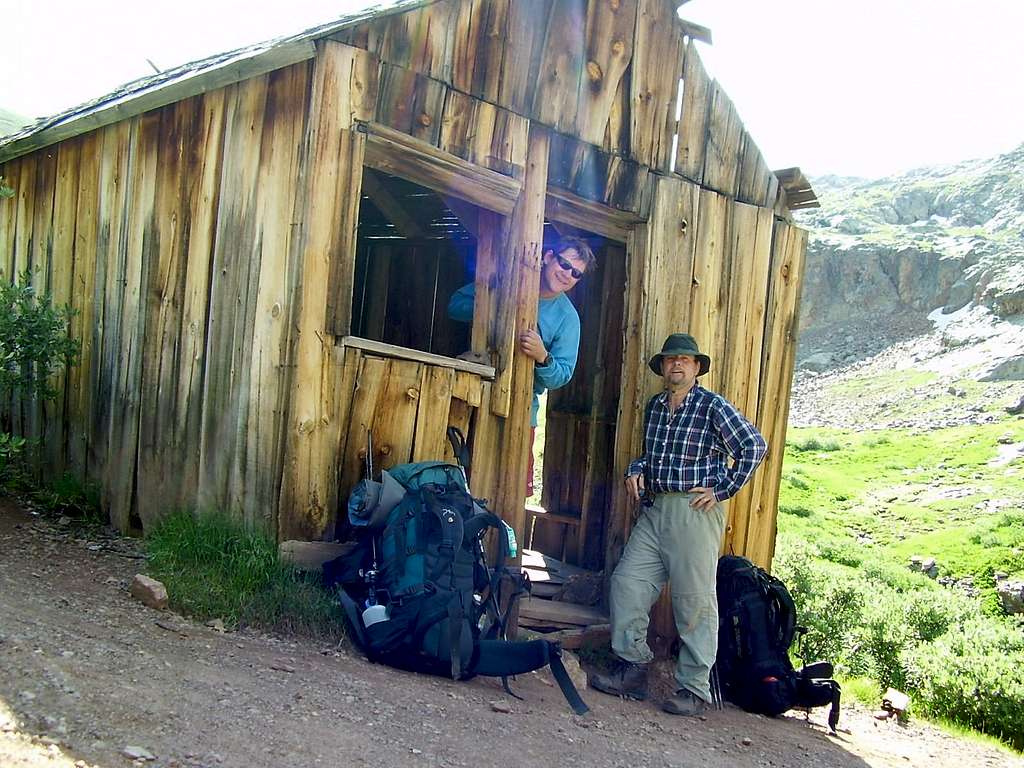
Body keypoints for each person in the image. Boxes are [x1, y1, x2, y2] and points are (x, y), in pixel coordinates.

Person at [588, 333, 768, 716]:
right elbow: (649, 456)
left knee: (694, 602)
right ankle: (633, 666)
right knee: (628, 583)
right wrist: (636, 469)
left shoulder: (711, 406)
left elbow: (754, 445)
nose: (677, 365)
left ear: (697, 367)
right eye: (671, 359)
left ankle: (693, 687)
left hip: (694, 511)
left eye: (685, 360)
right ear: (664, 366)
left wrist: (723, 490)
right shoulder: (655, 407)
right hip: (655, 510)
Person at [447, 237, 595, 495]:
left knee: (508, 491)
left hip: (521, 412)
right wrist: (493, 306)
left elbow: (561, 375)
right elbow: (454, 306)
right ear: (548, 257)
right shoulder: (510, 280)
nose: (567, 274)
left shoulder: (568, 318)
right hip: (469, 397)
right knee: (454, 478)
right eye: (564, 264)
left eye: (576, 273)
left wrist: (542, 356)